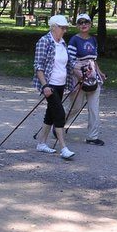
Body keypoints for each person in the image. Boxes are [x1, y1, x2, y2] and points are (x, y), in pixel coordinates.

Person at [33, 14, 77, 160]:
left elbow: (69, 64)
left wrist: (82, 73)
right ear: (54, 27)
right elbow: (38, 66)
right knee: (59, 114)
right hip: (49, 85)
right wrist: (45, 85)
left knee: (50, 114)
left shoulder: (62, 42)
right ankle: (64, 148)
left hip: (61, 84)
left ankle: (41, 143)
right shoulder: (44, 41)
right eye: (62, 27)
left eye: (66, 28)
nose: (65, 30)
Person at [65, 13, 107, 146]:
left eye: (86, 22)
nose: (83, 25)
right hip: (78, 77)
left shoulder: (93, 40)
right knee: (75, 107)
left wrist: (100, 73)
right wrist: (79, 77)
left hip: (92, 77)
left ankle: (92, 137)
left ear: (90, 24)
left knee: (94, 108)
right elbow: (70, 62)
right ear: (77, 25)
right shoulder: (74, 40)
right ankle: (58, 125)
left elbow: (93, 59)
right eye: (80, 22)